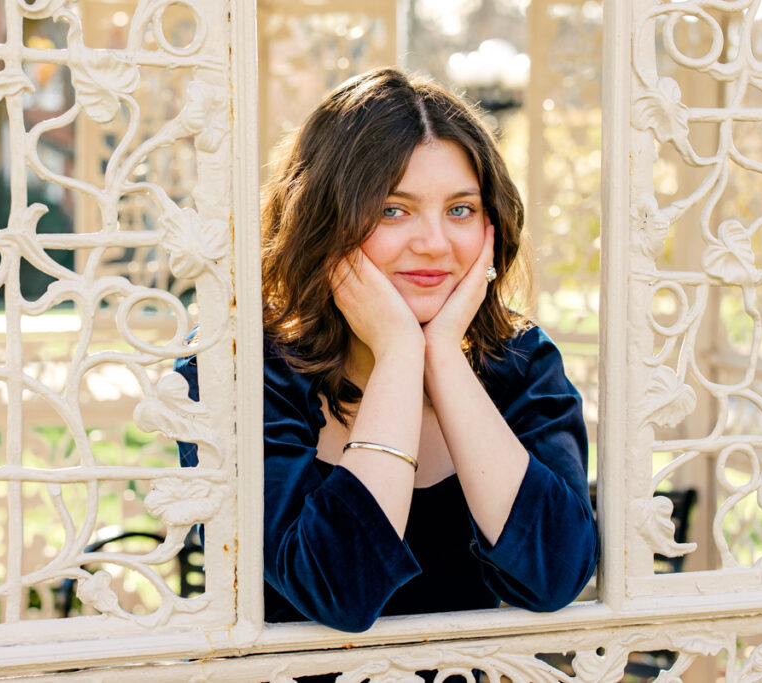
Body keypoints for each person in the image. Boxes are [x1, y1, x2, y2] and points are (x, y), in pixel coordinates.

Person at [176, 67, 597, 633]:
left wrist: (441, 355)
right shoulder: (236, 370)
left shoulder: (521, 362)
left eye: (460, 210)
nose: (434, 244)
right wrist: (400, 352)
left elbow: (555, 576)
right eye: (391, 210)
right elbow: (340, 589)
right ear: (323, 222)